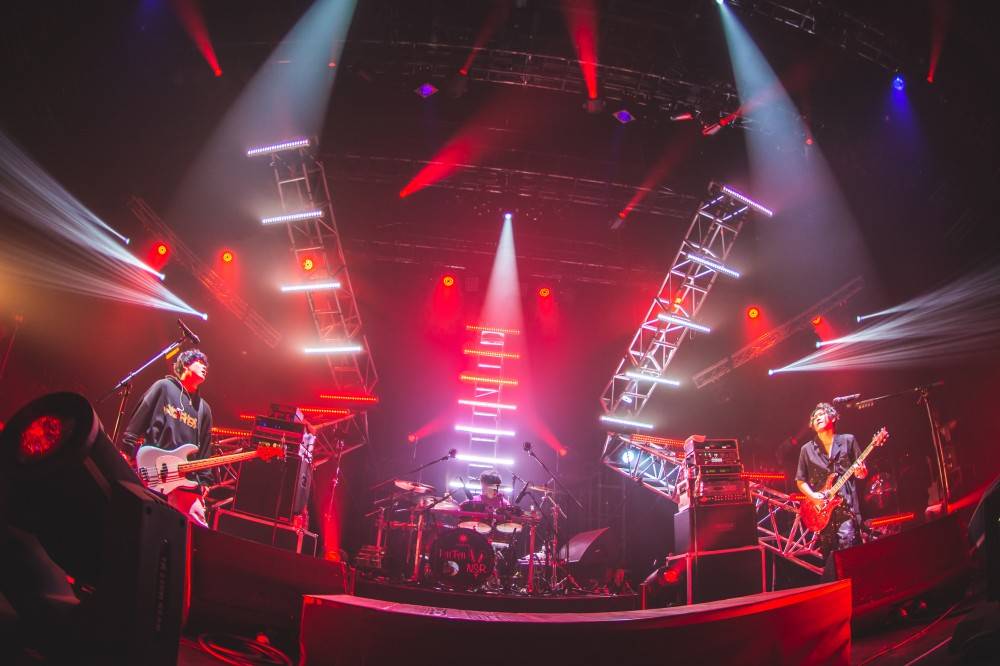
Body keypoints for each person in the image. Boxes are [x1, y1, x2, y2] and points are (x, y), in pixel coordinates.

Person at [121, 348, 213, 526]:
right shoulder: (163, 387)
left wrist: (205, 480)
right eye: (200, 362)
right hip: (154, 474)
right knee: (144, 526)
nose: (204, 368)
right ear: (185, 364)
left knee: (195, 534)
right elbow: (141, 416)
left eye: (206, 366)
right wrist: (127, 448)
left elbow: (204, 448)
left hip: (186, 484)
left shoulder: (204, 409)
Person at [795, 402, 868, 554]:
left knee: (849, 553)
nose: (817, 418)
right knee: (830, 558)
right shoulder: (806, 449)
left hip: (846, 510)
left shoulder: (848, 440)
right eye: (814, 417)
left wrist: (860, 472)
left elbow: (861, 473)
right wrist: (813, 496)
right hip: (822, 514)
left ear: (833, 417)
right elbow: (800, 480)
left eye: (821, 414)